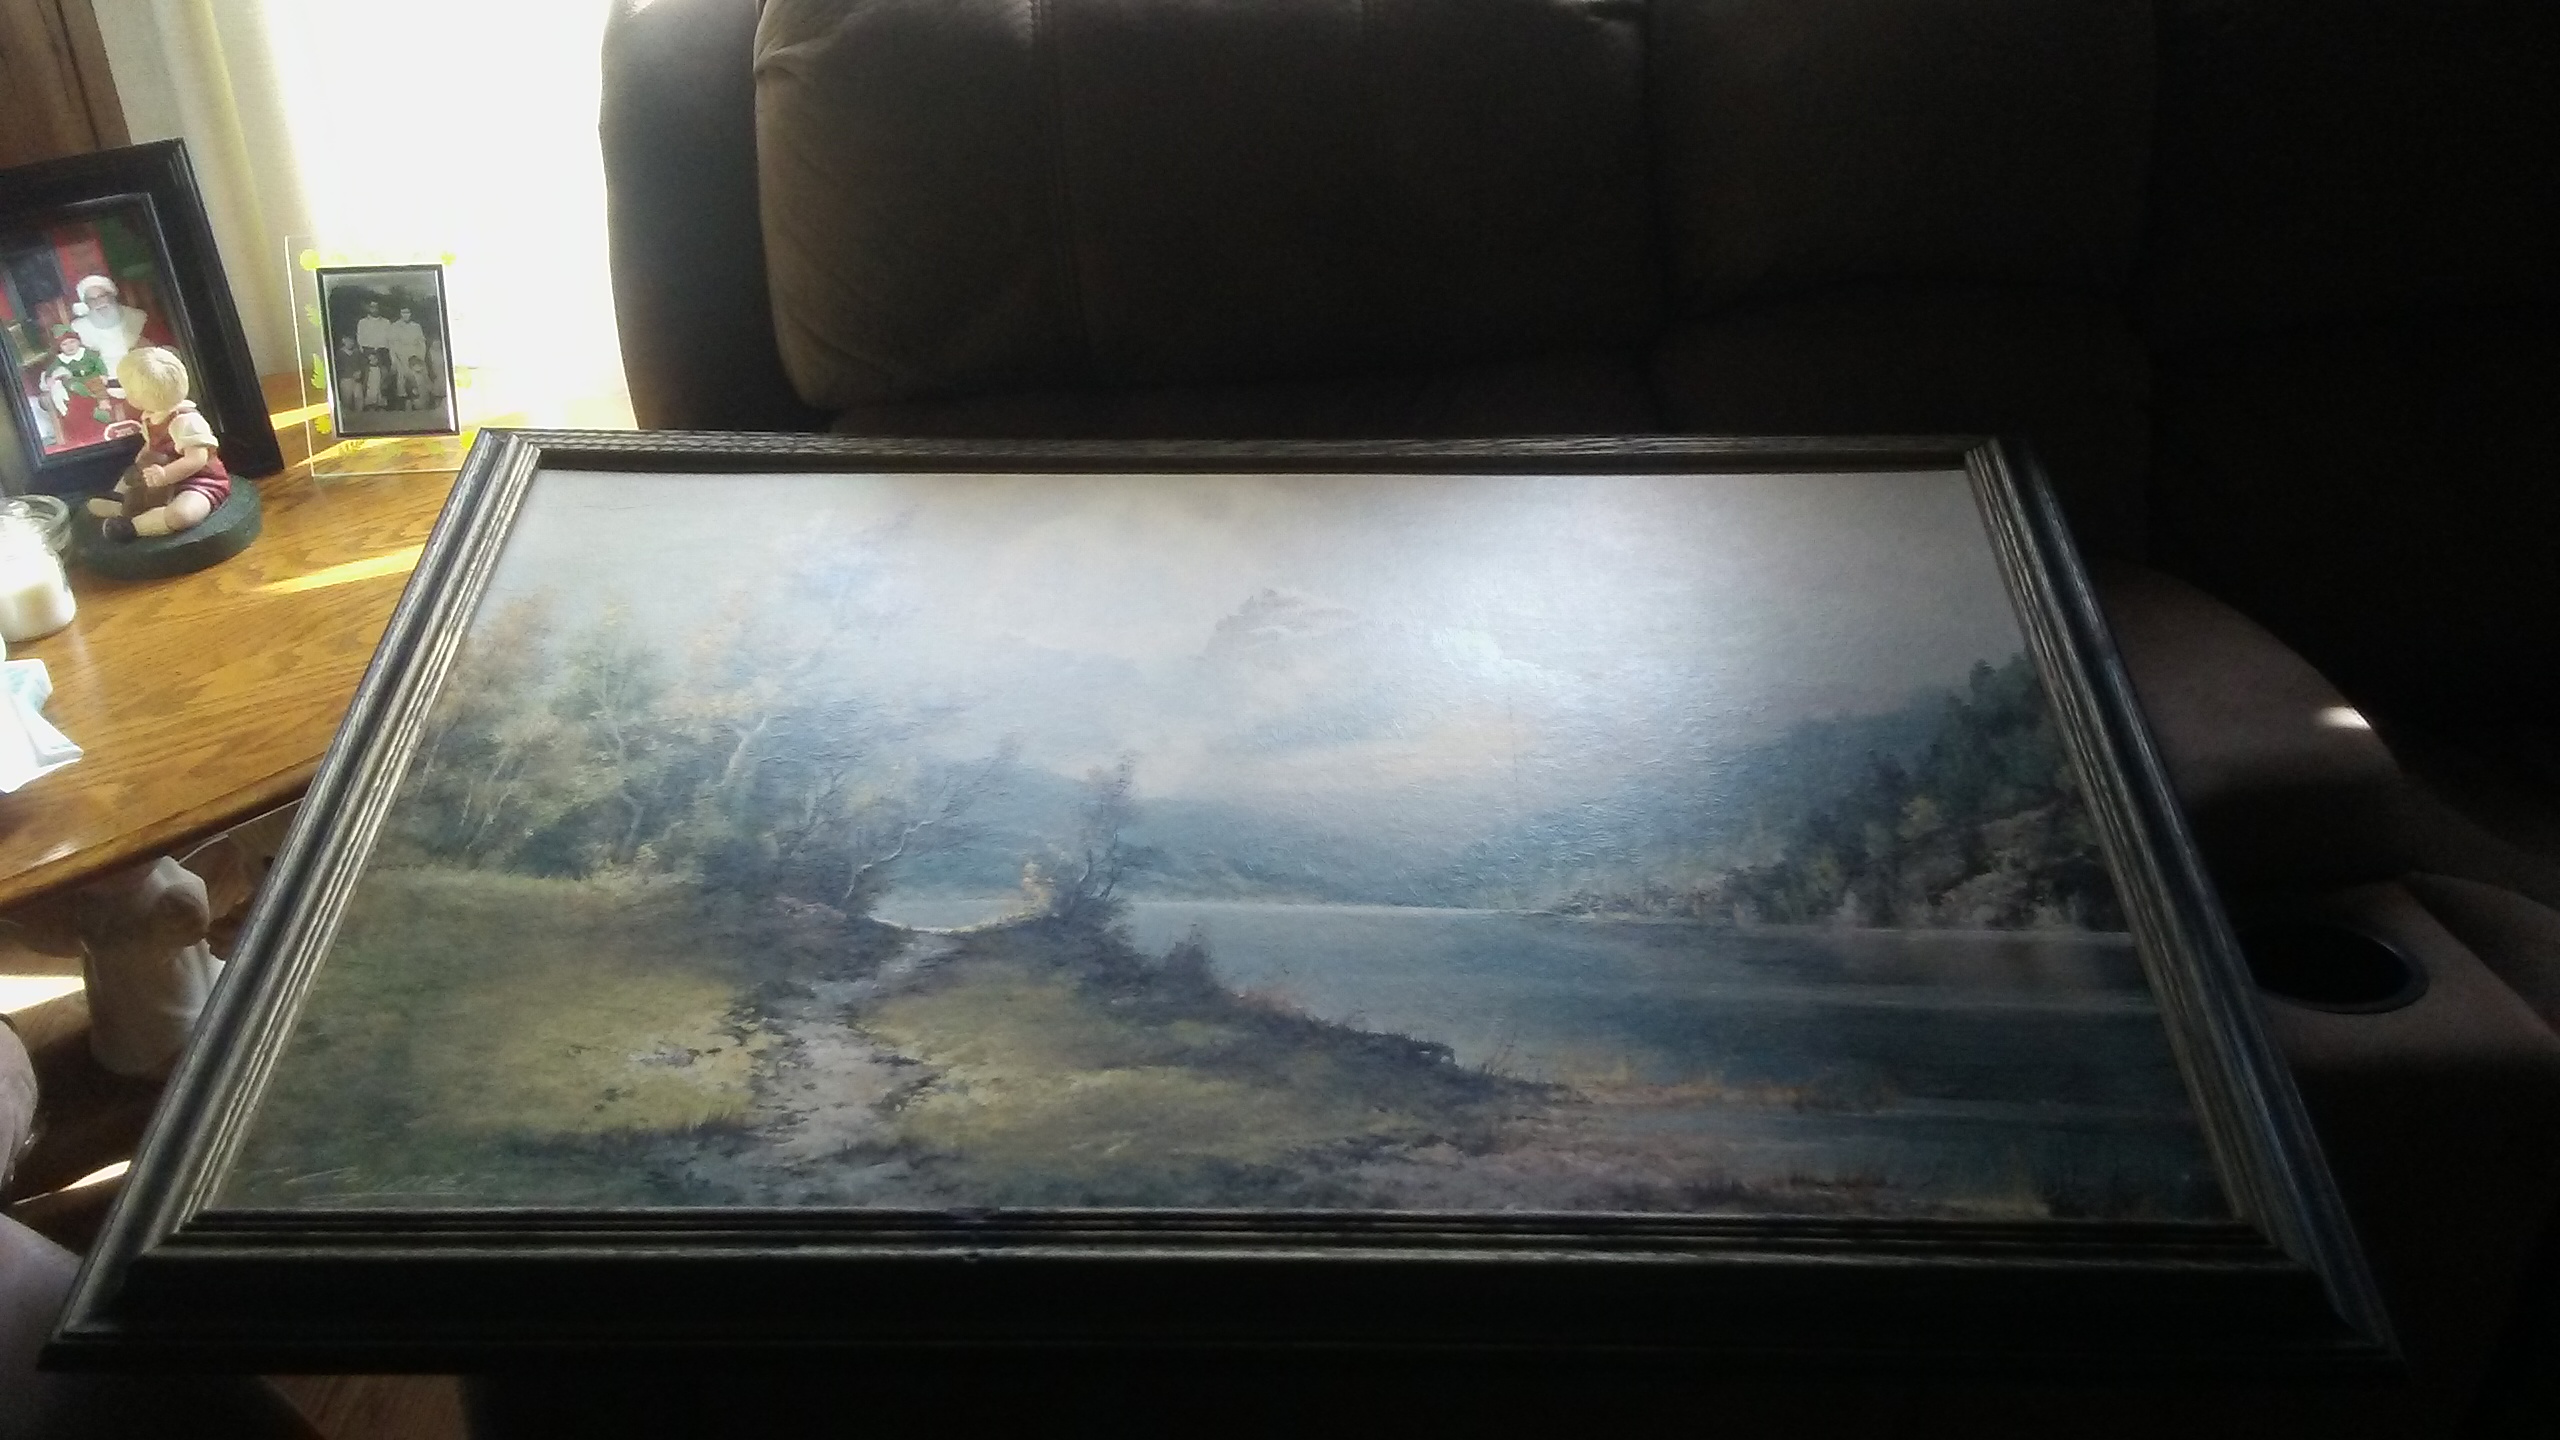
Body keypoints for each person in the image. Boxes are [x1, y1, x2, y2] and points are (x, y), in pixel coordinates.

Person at [84, 346, 230, 542]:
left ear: (142, 395)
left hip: (198, 481)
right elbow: (152, 445)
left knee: (183, 514)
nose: (126, 395)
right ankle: (120, 501)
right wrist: (141, 463)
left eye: (128, 391)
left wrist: (166, 474)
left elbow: (197, 459)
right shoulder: (150, 417)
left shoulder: (185, 421)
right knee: (134, 473)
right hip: (159, 480)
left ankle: (134, 527)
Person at [39, 327, 115, 451]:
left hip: (92, 377)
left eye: (72, 342)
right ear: (60, 347)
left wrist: (104, 374)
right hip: (75, 382)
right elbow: (51, 371)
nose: (69, 346)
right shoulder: (60, 360)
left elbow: (99, 364)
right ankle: (84, 423)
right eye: (64, 344)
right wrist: (50, 378)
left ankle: (103, 403)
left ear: (78, 341)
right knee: (72, 390)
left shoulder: (87, 354)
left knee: (97, 384)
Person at [68, 273, 158, 374]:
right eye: (92, 299)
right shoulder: (77, 328)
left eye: (102, 296)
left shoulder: (138, 317)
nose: (98, 302)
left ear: (111, 296)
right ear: (86, 304)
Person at [385, 304, 429, 408]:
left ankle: (419, 402)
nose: (406, 315)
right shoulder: (395, 326)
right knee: (402, 378)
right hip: (401, 355)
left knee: (418, 377)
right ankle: (403, 403)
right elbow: (392, 344)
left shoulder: (416, 326)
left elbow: (421, 342)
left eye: (408, 313)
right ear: (400, 314)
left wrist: (421, 357)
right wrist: (394, 359)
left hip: (415, 355)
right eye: (403, 313)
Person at [353, 298, 393, 410]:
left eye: (376, 307)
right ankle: (369, 404)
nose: (374, 309)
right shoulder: (362, 322)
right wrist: (367, 353)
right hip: (368, 351)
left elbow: (389, 339)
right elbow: (360, 338)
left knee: (383, 376)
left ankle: (382, 403)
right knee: (368, 378)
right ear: (368, 308)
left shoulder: (386, 322)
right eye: (372, 307)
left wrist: (387, 353)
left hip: (382, 351)